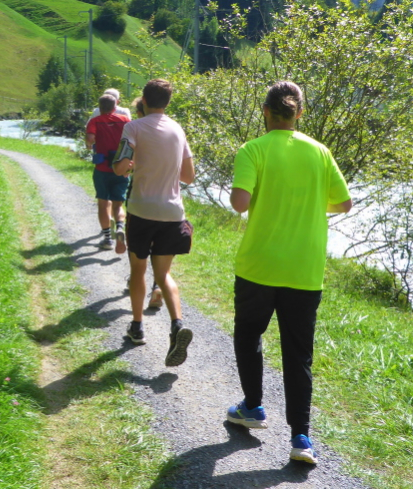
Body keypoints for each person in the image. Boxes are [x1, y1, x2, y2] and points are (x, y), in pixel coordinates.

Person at [225, 81, 352, 465]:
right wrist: (309, 202)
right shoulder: (320, 152)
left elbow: (239, 203)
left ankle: (252, 407)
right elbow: (344, 203)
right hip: (304, 269)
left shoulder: (252, 150)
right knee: (299, 355)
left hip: (259, 266)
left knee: (249, 334)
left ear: (265, 111)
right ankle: (301, 438)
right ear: (299, 113)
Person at [113, 79, 195, 367]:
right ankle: (177, 325)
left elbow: (119, 167)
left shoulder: (133, 127)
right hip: (172, 213)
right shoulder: (178, 129)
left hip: (141, 211)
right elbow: (189, 176)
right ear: (168, 103)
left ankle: (137, 327)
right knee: (163, 274)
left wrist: (132, 164)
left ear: (144, 101)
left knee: (138, 270)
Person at [128, 96, 164, 310]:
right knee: (161, 249)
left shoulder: (136, 129)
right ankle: (157, 286)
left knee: (138, 249)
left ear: (141, 111)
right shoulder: (170, 129)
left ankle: (135, 280)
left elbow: (125, 164)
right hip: (167, 199)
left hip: (140, 197)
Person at [86, 94, 131, 251]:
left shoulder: (95, 121)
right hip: (121, 167)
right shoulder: (125, 120)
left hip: (102, 168)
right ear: (115, 106)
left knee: (103, 203)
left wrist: (91, 143)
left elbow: (90, 139)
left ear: (100, 108)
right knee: (118, 204)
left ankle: (107, 240)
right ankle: (120, 227)